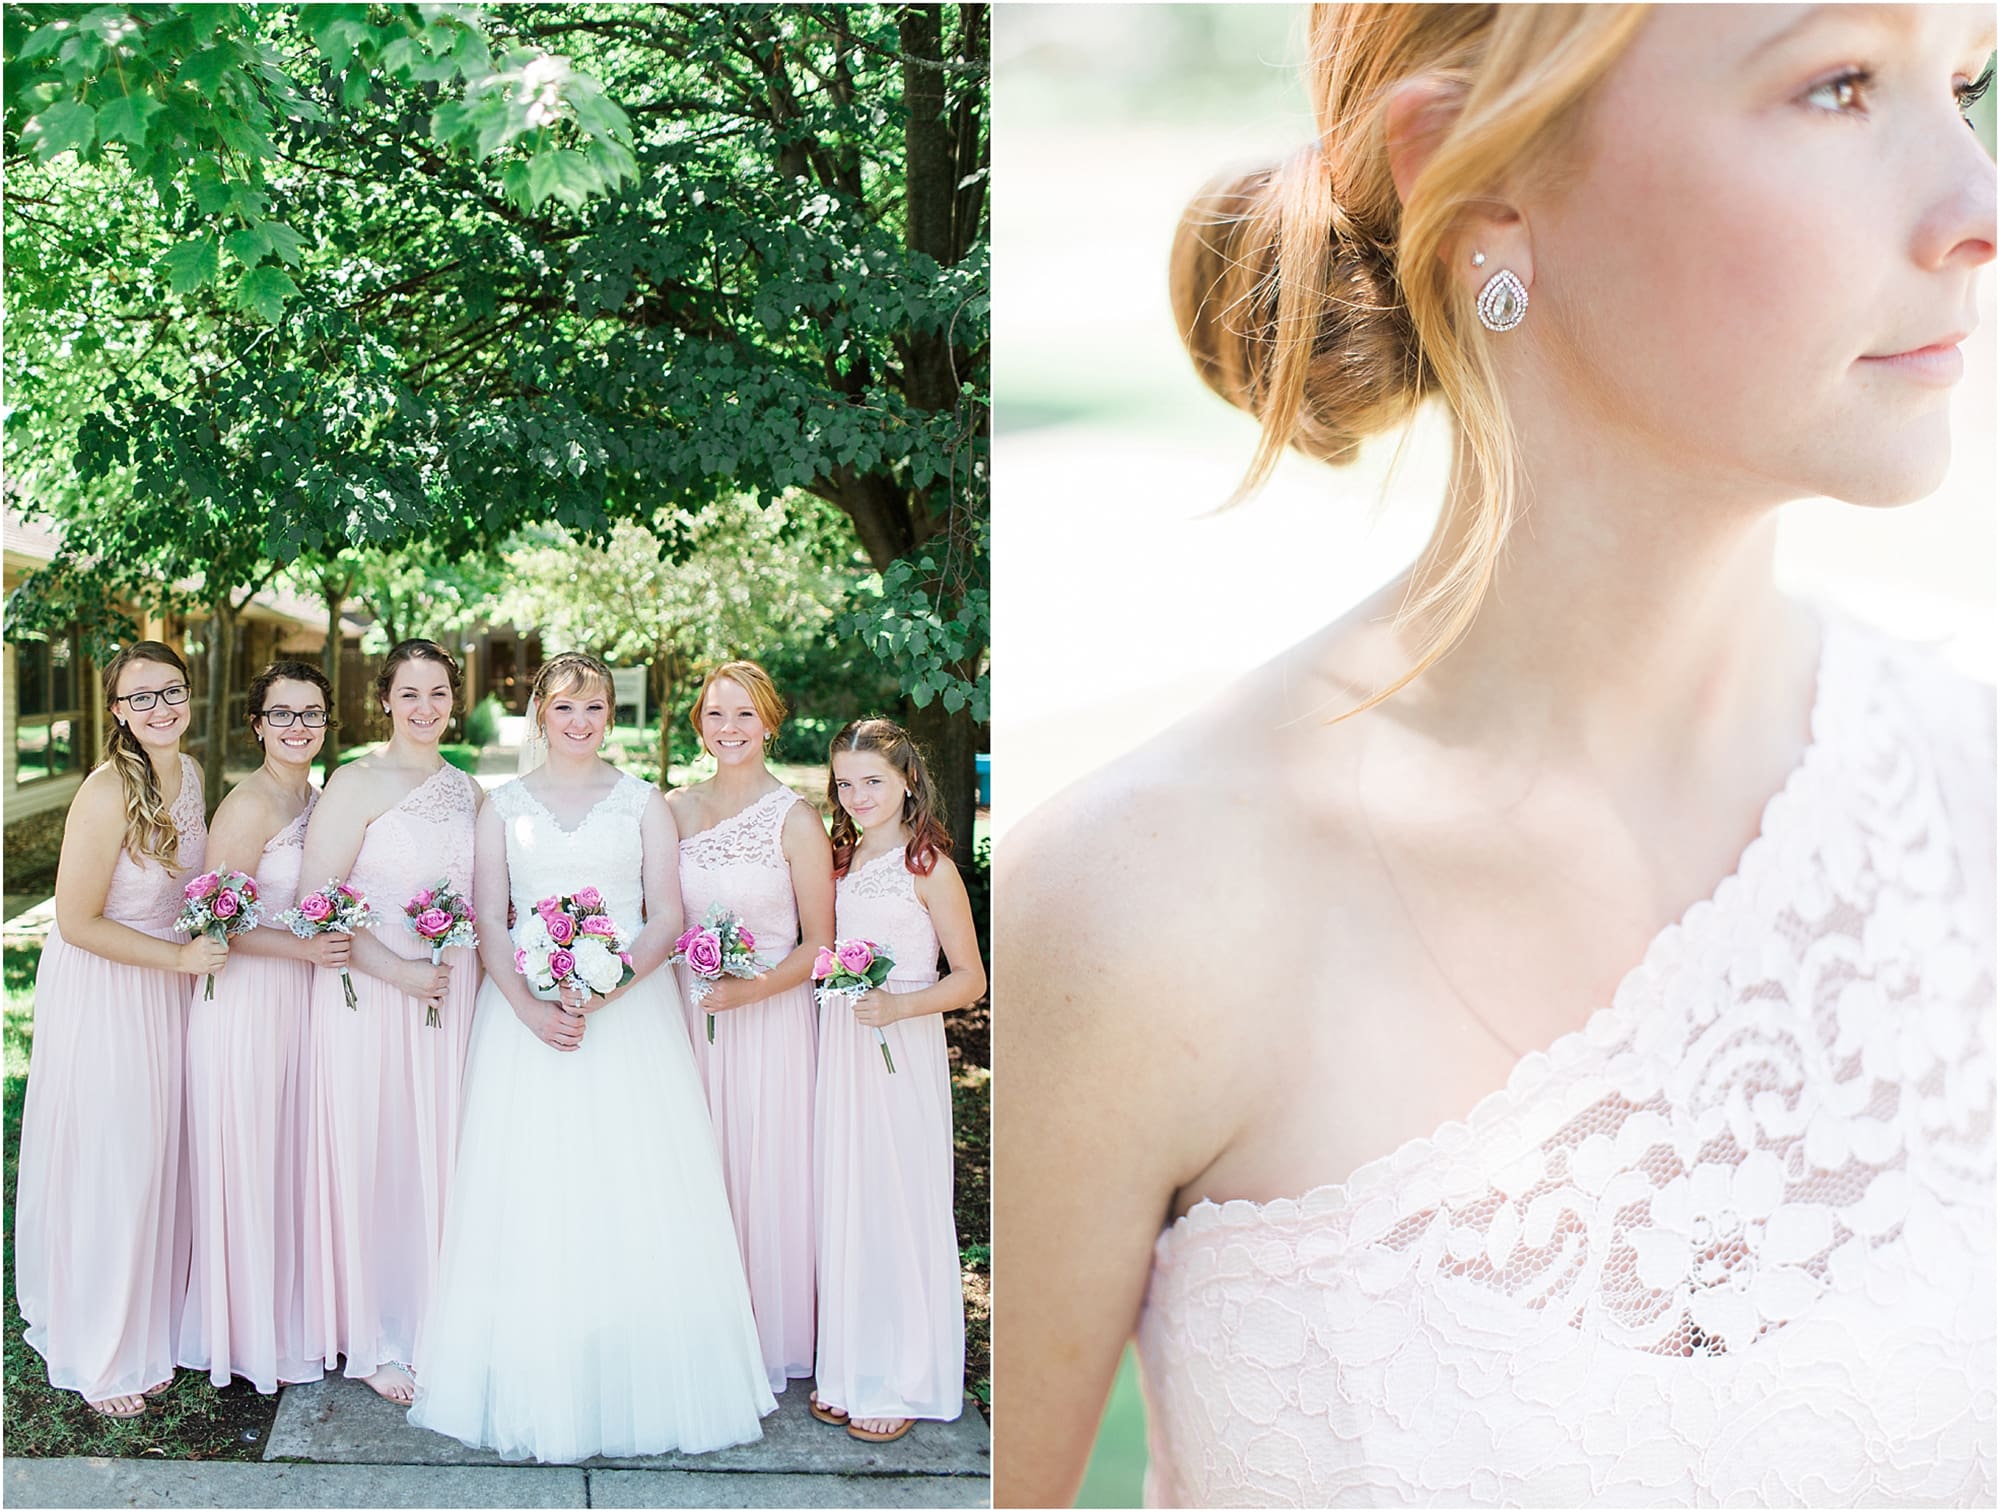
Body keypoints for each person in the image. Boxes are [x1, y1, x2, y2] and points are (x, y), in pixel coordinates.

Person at [997, 4, 1998, 1506]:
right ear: (1476, 185)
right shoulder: (1132, 922)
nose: (1976, 208)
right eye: (1838, 86)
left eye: (1964, 82)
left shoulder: (1970, 798)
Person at [410, 652, 775, 1460]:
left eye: (596, 709)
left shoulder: (644, 802)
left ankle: (634, 1362)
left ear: (612, 716)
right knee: (535, 1184)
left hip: (629, 1017)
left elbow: (667, 914)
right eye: (567, 708)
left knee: (633, 1181)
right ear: (540, 712)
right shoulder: (501, 806)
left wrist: (607, 990)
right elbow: (492, 918)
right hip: (525, 1022)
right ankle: (540, 1361)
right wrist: (530, 1006)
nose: (581, 723)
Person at [16, 641, 223, 1418]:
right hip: (110, 988)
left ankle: (153, 1313)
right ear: (117, 713)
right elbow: (74, 921)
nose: (160, 709)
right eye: (141, 698)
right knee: (117, 1157)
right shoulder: (105, 793)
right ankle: (102, 1345)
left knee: (163, 1154)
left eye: (171, 692)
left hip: (172, 984)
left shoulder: (192, 773)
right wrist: (179, 959)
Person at [299, 639, 481, 1404]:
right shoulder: (356, 781)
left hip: (452, 995)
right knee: (376, 1152)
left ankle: (436, 1313)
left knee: (438, 1150)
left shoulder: (469, 791)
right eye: (410, 693)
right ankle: (374, 1335)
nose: (425, 708)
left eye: (438, 693)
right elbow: (315, 904)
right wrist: (400, 971)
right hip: (370, 997)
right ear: (384, 699)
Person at [812, 718, 985, 1444]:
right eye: (845, 783)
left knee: (898, 1200)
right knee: (848, 1199)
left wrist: (899, 1005)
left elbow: (971, 981)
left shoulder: (930, 868)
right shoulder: (841, 862)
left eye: (872, 781)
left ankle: (905, 1372)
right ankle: (850, 1368)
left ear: (908, 779)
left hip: (900, 1046)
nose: (857, 796)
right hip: (844, 1051)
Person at [668, 660, 835, 1397]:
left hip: (768, 1023)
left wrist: (751, 990)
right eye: (714, 714)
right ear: (698, 724)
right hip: (681, 1016)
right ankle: (691, 1327)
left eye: (743, 714)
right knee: (687, 1164)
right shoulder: (669, 809)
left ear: (770, 722)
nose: (728, 729)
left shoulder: (795, 820)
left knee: (760, 1168)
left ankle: (767, 1332)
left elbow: (820, 946)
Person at [179, 661, 347, 1394]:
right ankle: (248, 1332)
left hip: (301, 999)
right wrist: (306, 948)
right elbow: (219, 924)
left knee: (291, 1156)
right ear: (257, 725)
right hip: (247, 1000)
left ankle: (299, 1312)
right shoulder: (247, 807)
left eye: (311, 713)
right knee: (250, 1154)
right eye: (283, 714)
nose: (299, 727)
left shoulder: (318, 797)